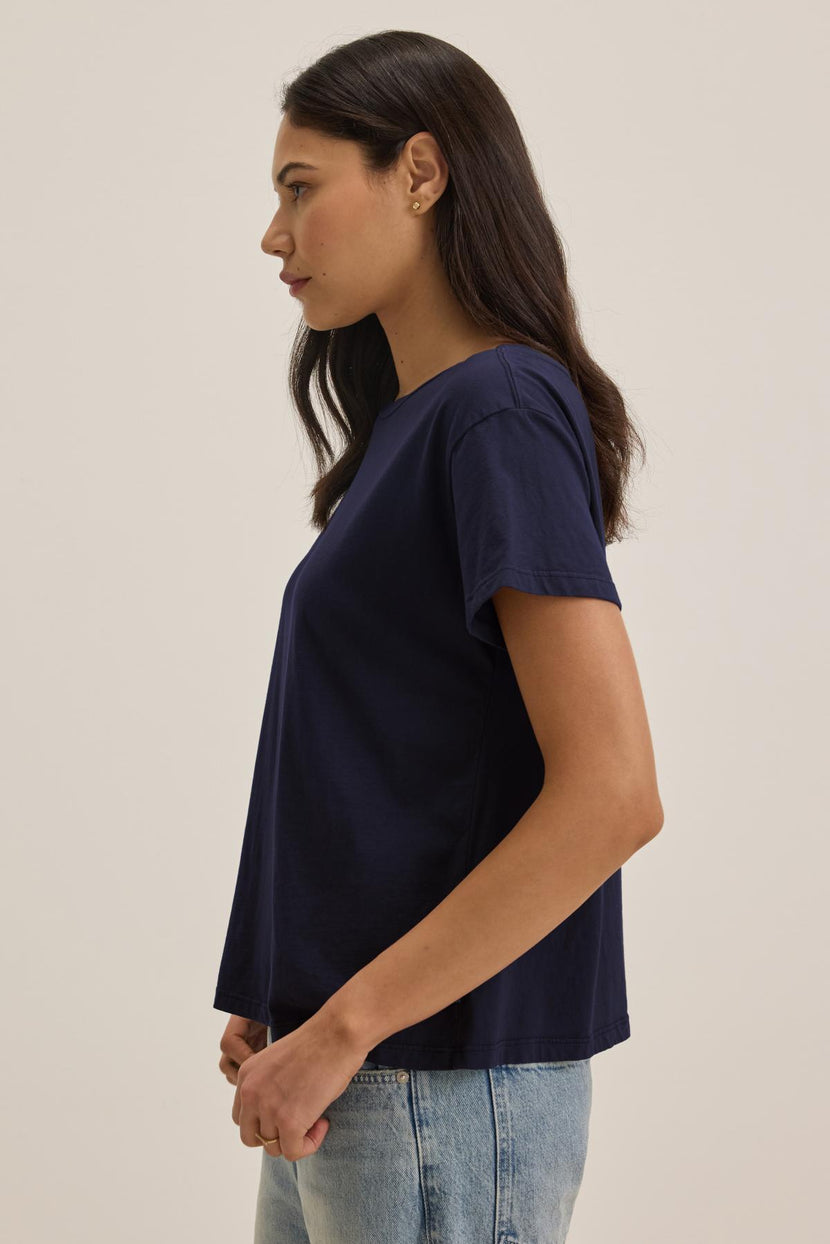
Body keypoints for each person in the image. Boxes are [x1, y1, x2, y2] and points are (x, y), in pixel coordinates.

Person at [214, 29, 664, 1244]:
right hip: (354, 1074)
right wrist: (293, 996)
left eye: (299, 187)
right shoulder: (419, 429)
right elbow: (399, 765)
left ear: (420, 170)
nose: (274, 235)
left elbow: (613, 791)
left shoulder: (497, 412)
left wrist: (347, 1024)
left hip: (430, 1084)